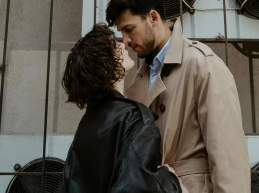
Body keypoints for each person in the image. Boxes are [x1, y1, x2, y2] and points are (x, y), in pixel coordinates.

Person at [106, 0, 251, 193]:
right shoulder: (139, 79)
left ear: (153, 18)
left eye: (129, 29)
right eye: (122, 32)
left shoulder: (201, 64)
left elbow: (228, 154)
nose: (126, 40)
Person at [61, 22, 183, 193]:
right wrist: (169, 181)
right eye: (113, 46)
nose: (122, 44)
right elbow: (138, 188)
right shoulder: (133, 118)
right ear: (106, 67)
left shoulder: (86, 125)